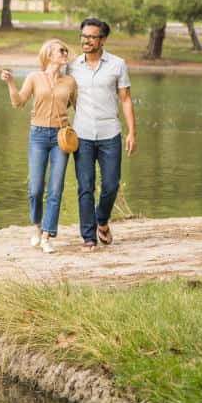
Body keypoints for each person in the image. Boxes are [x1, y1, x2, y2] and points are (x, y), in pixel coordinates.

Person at [0, 39, 78, 254]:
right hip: (38, 136)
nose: (65, 53)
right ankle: (37, 227)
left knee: (55, 188)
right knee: (35, 189)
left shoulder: (70, 82)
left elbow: (79, 108)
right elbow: (18, 103)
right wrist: (10, 83)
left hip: (61, 138)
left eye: (66, 50)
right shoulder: (34, 77)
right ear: (49, 55)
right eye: (61, 50)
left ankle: (46, 236)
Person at [68, 18, 136, 251]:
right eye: (83, 36)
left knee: (110, 184)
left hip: (110, 133)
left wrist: (131, 133)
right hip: (82, 134)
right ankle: (88, 236)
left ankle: (102, 220)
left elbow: (125, 99)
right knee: (85, 185)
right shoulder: (72, 66)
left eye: (91, 37)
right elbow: (61, 95)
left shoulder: (117, 65)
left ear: (103, 40)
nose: (86, 41)